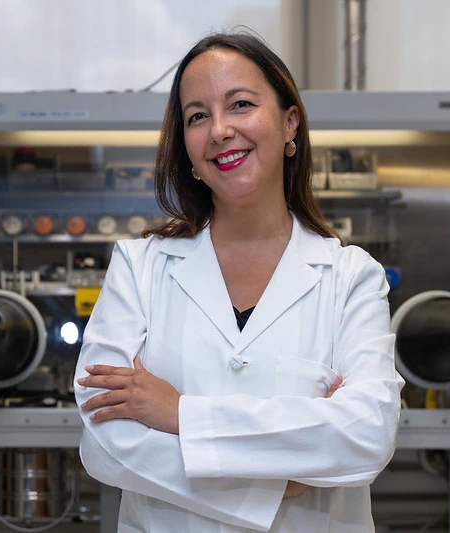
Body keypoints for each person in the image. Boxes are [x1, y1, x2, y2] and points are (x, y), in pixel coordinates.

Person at [74, 31, 404, 533]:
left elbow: (365, 435)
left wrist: (177, 413)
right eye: (198, 116)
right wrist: (273, 483)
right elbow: (103, 442)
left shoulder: (352, 278)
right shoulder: (140, 267)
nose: (220, 130)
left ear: (289, 122)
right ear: (184, 145)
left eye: (241, 105)